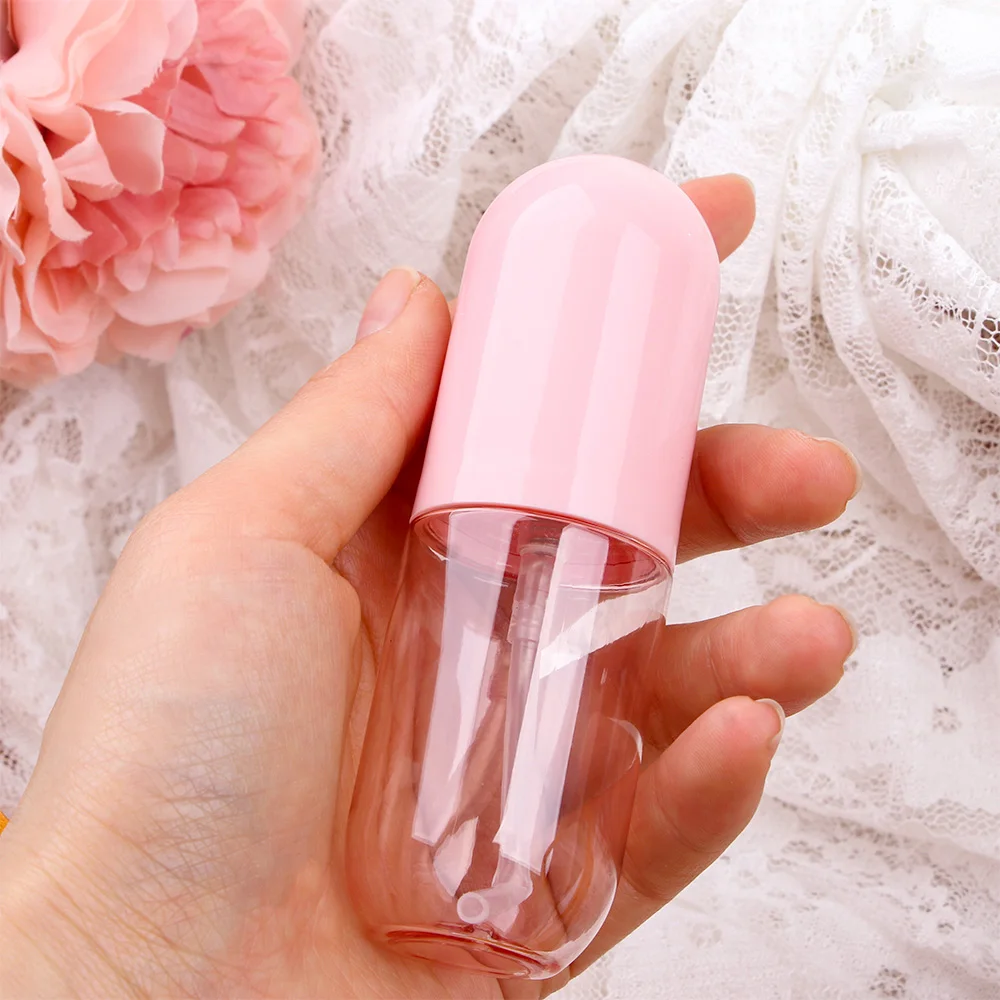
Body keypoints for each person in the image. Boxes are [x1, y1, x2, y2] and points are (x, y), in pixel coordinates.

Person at [0, 175, 858, 999]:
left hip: (589, 529)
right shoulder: (463, 513)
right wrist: (111, 947)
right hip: (500, 520)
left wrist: (105, 959)